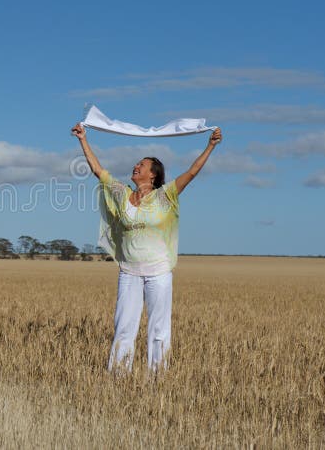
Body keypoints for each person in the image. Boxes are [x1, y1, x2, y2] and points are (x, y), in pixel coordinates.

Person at [71, 122, 223, 371]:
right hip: (129, 272)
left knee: (159, 330)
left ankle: (157, 380)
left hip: (159, 272)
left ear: (153, 174)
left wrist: (210, 145)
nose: (135, 166)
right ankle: (118, 376)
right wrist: (82, 139)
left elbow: (192, 172)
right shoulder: (122, 194)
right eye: (136, 164)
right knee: (124, 327)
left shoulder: (166, 196)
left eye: (141, 165)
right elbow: (98, 170)